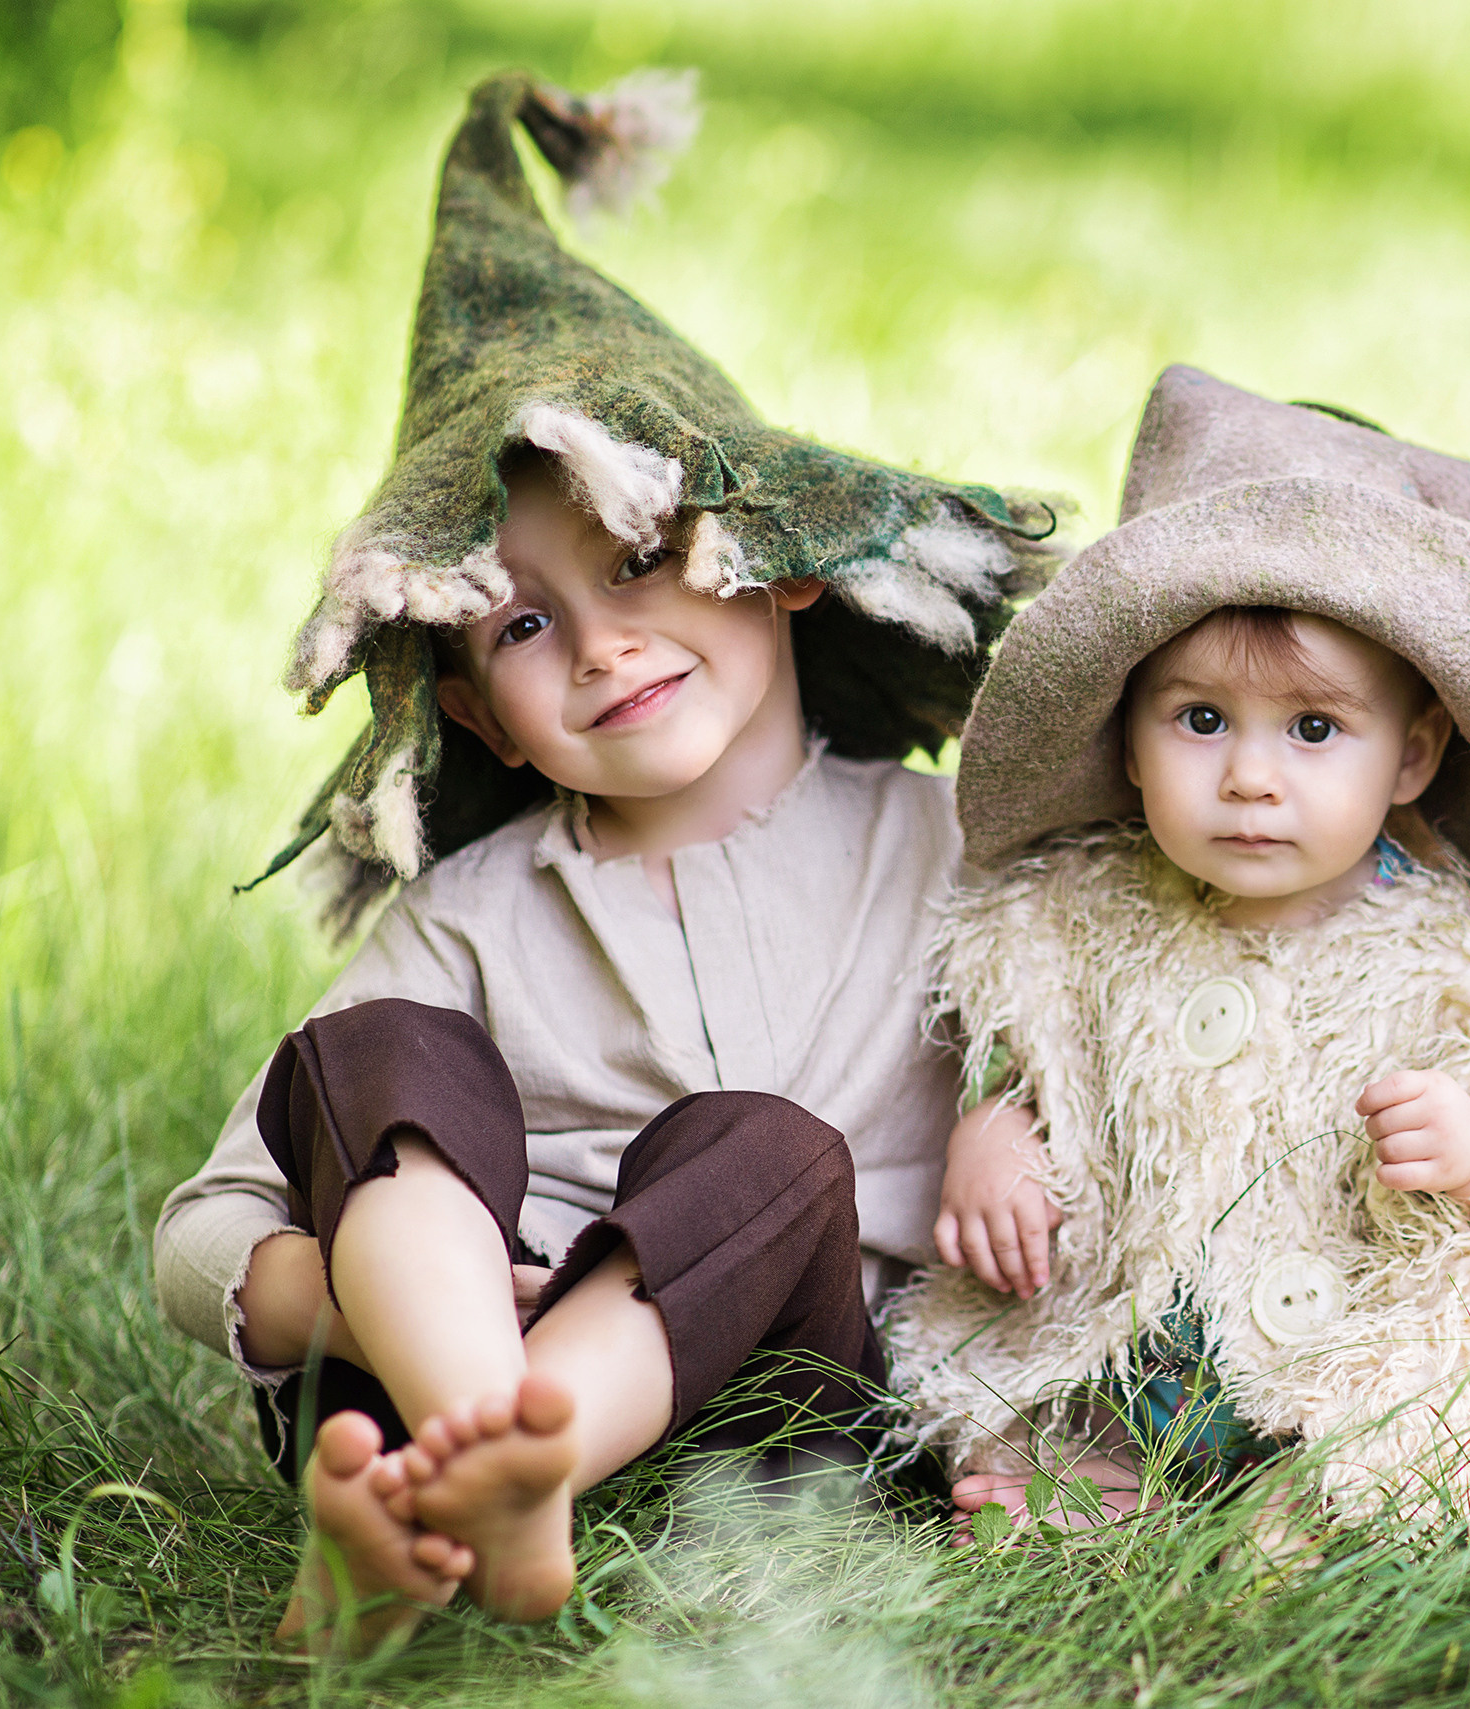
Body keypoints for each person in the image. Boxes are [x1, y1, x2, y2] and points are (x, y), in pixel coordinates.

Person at [152, 69, 1053, 1648]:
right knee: (383, 1058)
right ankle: (464, 1453)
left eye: (641, 555)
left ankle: (494, 1479)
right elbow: (205, 1231)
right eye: (519, 621)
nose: (603, 642)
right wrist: (353, 1294)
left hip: (784, 1417)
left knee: (773, 1151)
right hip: (417, 1366)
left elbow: (1102, 1026)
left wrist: (1008, 1107)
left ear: (767, 559)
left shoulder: (944, 843)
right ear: (475, 713)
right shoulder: (471, 918)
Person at [883, 367, 1470, 1537]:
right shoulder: (1068, 917)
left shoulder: (1466, 951)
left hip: (1362, 1339)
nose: (1251, 775)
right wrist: (994, 1136)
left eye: (1314, 728)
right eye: (1200, 719)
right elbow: (1030, 1063)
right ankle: (1107, 1468)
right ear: (1126, 733)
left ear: (1414, 759)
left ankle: (1320, 1493)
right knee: (1026, 1351)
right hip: (1142, 1339)